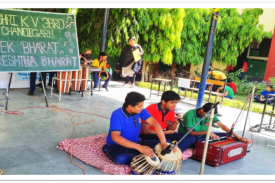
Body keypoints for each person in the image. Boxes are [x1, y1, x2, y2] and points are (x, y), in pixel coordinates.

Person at [102, 92, 169, 165]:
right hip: (116, 145)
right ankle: (144, 158)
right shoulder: (117, 115)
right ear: (130, 106)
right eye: (140, 106)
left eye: (142, 105)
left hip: (136, 142)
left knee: (164, 144)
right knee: (120, 158)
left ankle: (140, 158)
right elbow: (115, 137)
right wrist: (139, 147)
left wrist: (163, 143)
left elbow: (155, 123)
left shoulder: (141, 111)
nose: (142, 108)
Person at [178, 103, 252, 143]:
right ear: (202, 110)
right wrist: (207, 132)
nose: (209, 117)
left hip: (204, 134)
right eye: (207, 115)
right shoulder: (189, 115)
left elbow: (222, 126)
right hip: (188, 135)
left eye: (211, 116)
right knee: (193, 140)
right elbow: (190, 133)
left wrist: (239, 137)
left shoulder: (211, 113)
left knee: (228, 135)